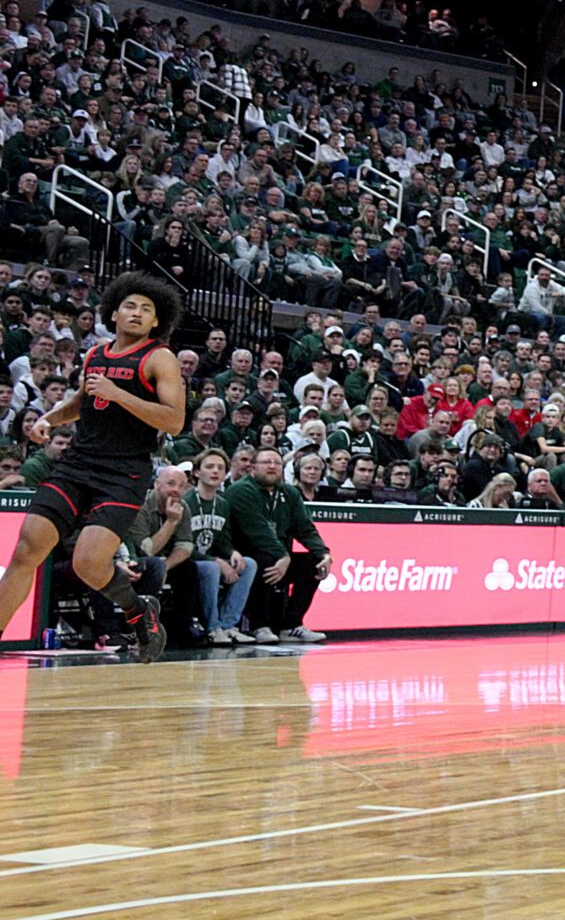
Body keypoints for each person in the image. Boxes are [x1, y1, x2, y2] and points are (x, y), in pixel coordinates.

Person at [0, 271, 186, 660]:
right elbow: (83, 401)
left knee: (88, 564)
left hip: (123, 473)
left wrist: (119, 394)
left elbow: (174, 420)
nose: (136, 313)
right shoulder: (96, 354)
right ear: (114, 313)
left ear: (156, 321)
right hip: (78, 463)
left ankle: (139, 610)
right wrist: (50, 419)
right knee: (26, 550)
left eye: (146, 309)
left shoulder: (159, 358)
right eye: (129, 306)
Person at [220, 446, 332, 643]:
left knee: (313, 562)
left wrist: (324, 553)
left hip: (279, 556)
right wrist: (283, 556)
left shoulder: (289, 493)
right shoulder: (240, 491)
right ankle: (259, 625)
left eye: (277, 463)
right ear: (253, 468)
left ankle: (291, 625)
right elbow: (258, 531)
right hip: (245, 556)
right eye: (266, 462)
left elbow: (305, 528)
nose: (272, 467)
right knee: (265, 559)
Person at [183, 450, 254, 644]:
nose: (215, 471)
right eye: (209, 467)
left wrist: (232, 553)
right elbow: (182, 545)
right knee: (212, 567)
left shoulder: (222, 504)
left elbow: (222, 541)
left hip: (211, 559)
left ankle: (228, 624)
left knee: (248, 564)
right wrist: (216, 561)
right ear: (197, 472)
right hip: (188, 560)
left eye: (220, 468)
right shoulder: (186, 502)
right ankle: (212, 628)